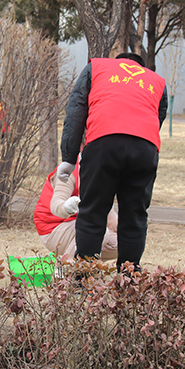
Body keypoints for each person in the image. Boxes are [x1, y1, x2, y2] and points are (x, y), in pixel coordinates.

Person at [57, 53, 167, 272]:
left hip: (103, 143)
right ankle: (129, 280)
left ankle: (85, 279)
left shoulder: (97, 68)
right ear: (142, 67)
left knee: (92, 212)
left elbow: (76, 110)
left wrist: (69, 157)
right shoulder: (157, 81)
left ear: (117, 61)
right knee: (134, 217)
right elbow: (158, 118)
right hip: (144, 148)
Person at [33, 161, 118, 261]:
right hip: (52, 227)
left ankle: (90, 265)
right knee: (96, 230)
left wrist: (128, 228)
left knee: (121, 243)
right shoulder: (69, 170)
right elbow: (56, 205)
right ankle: (68, 266)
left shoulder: (103, 172)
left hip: (79, 225)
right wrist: (68, 207)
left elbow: (107, 213)